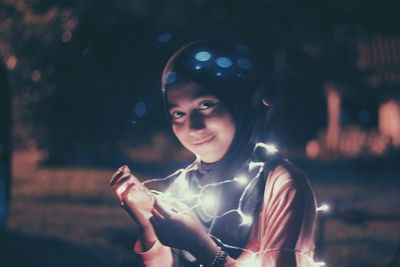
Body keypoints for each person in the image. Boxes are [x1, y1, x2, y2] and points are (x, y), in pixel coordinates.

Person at [110, 40, 317, 267]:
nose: (194, 127)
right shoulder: (184, 186)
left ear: (239, 102)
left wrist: (202, 247)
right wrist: (150, 227)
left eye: (206, 104)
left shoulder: (280, 184)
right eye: (178, 113)